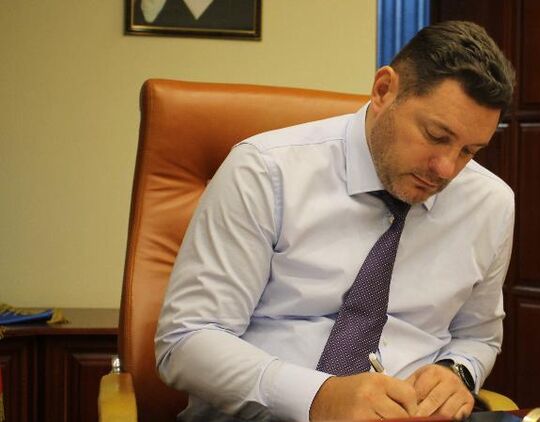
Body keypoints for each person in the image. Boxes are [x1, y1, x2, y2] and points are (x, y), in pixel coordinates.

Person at [155, 20, 516, 422]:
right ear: (384, 90)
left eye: (469, 151)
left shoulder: (489, 203)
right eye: (435, 135)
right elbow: (187, 341)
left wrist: (457, 371)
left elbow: (476, 336)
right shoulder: (265, 172)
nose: (446, 169)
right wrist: (318, 397)